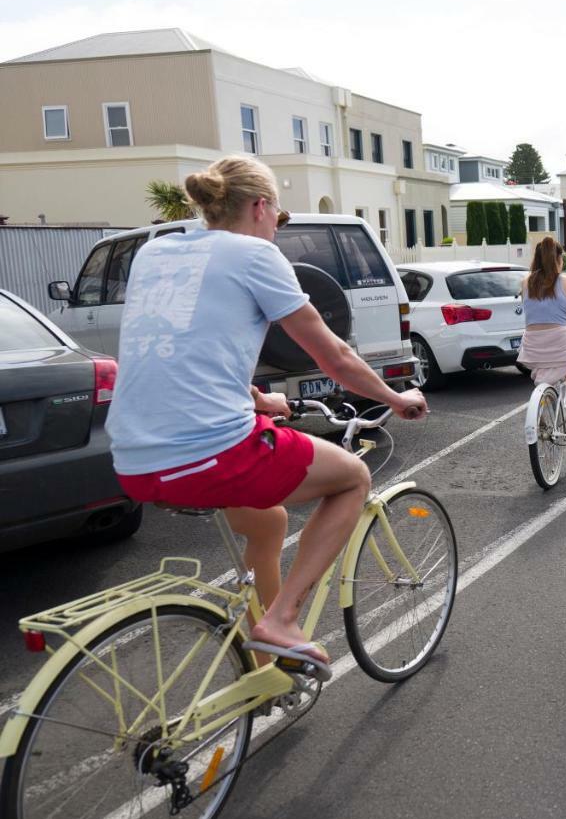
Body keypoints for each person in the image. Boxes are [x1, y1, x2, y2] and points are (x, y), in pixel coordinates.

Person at [106, 156, 427, 675]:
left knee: (269, 521)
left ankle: (265, 665)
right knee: (352, 478)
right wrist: (395, 398)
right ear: (259, 207)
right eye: (279, 213)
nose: (278, 225)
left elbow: (180, 347)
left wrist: (255, 398)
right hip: (208, 452)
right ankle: (283, 619)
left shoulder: (154, 252)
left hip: (134, 459)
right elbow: (334, 356)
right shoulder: (255, 254)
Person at [516, 237, 566, 447]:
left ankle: (541, 418)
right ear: (558, 259)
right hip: (559, 340)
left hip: (533, 345)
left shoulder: (525, 282)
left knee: (543, 378)